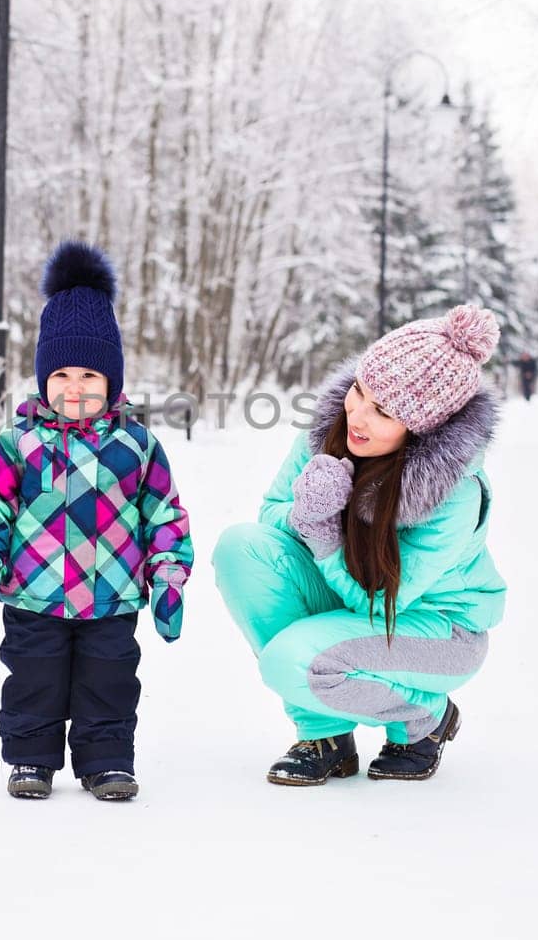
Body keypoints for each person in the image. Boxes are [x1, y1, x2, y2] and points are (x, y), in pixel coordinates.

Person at [212, 305, 505, 785]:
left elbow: (383, 600)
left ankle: (423, 718)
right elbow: (272, 513)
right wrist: (306, 511)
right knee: (241, 547)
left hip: (437, 630)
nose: (358, 416)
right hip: (355, 606)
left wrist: (326, 531)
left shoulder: (454, 494)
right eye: (359, 391)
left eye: (383, 411)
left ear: (422, 428)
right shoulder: (330, 434)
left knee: (290, 661)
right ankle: (324, 734)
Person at [0, 241, 193, 802]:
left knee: (109, 682)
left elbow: (165, 514)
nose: (75, 387)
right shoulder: (15, 445)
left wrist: (168, 576)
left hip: (111, 596)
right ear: (42, 379)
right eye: (61, 373)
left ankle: (106, 759)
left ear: (112, 381)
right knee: (33, 678)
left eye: (90, 374)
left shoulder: (137, 446)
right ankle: (31, 759)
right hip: (33, 594)